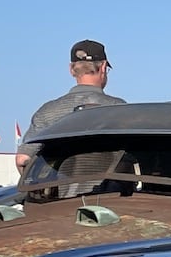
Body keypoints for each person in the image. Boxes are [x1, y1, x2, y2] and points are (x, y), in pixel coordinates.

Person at [16, 39, 127, 174]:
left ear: (71, 69)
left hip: (62, 193)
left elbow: (22, 159)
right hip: (110, 193)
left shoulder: (47, 112)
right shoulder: (118, 109)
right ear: (103, 67)